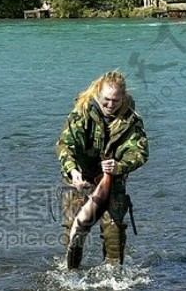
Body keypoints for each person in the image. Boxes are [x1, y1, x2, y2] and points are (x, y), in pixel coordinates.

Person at [56, 70, 148, 269]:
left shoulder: (132, 121)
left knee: (113, 230)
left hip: (112, 180)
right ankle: (71, 273)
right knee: (74, 230)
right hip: (79, 178)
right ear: (98, 93)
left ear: (123, 97)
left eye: (115, 100)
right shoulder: (81, 113)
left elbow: (140, 153)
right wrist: (73, 171)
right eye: (106, 100)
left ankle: (114, 276)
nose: (110, 105)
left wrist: (120, 166)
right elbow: (65, 145)